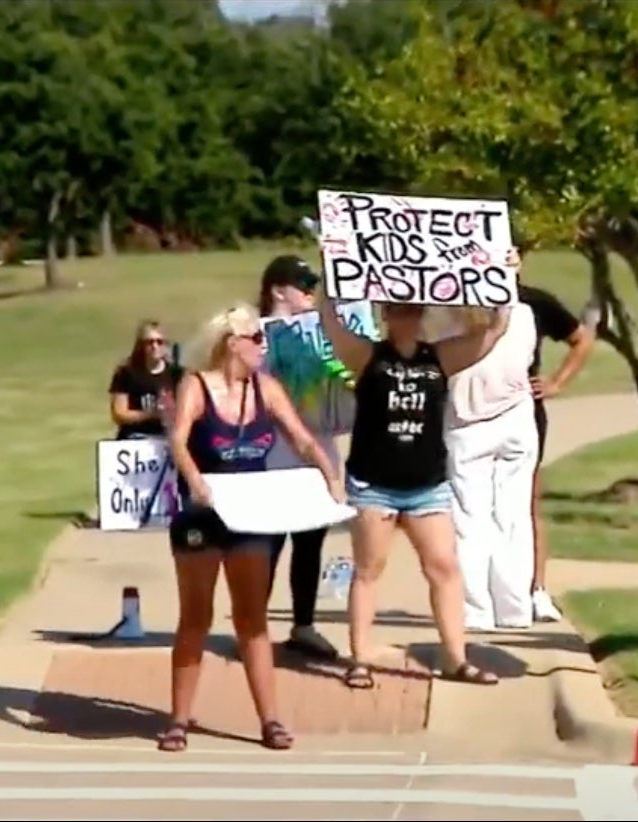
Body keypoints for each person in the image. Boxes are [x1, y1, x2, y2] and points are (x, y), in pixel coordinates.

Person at [160, 303, 343, 751]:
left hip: (252, 511)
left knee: (252, 619)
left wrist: (331, 478)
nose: (264, 347)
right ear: (232, 343)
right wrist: (195, 479)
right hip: (203, 513)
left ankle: (271, 720)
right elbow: (178, 438)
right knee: (196, 616)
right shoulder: (197, 385)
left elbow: (301, 437)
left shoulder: (267, 388)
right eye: (257, 339)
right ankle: (179, 720)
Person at [319, 289, 508, 690]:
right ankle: (359, 659)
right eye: (399, 308)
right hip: (375, 484)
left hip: (427, 485)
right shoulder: (369, 356)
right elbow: (330, 324)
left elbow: (494, 332)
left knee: (444, 567)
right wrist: (329, 277)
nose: (408, 315)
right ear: (386, 313)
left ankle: (457, 658)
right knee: (369, 570)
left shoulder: (438, 357)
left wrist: (504, 283)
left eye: (414, 308)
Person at [257, 255, 338, 659]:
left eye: (313, 284)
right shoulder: (258, 338)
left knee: (310, 545)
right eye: (302, 284)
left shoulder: (323, 334)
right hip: (273, 458)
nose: (310, 292)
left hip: (320, 452)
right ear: (277, 290)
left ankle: (303, 626)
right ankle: (252, 630)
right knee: (266, 548)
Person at [443, 302, 539, 630]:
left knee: (470, 522)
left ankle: (477, 610)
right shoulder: (522, 313)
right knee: (513, 517)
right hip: (515, 416)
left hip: (466, 422)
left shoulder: (445, 315)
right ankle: (514, 608)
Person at [516, 245, 595, 622]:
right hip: (469, 412)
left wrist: (557, 383)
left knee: (528, 500)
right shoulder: (460, 299)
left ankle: (536, 589)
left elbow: (582, 339)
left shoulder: (535, 302)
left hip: (523, 410)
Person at [108, 320, 182, 440]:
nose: (155, 346)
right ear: (141, 345)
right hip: (134, 439)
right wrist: (152, 414)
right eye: (149, 342)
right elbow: (119, 414)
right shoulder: (126, 373)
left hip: (168, 439)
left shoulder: (178, 374)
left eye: (159, 342)